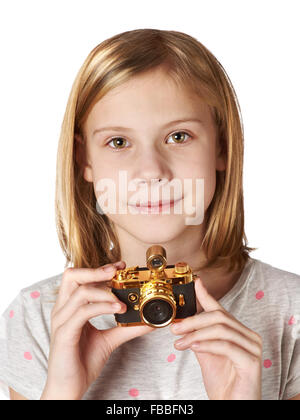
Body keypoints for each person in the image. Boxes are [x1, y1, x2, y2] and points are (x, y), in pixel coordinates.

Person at [0, 28, 299, 401]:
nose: (151, 171)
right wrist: (62, 391)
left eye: (178, 136)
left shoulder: (292, 312)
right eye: (119, 142)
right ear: (84, 160)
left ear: (221, 146)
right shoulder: (38, 319)